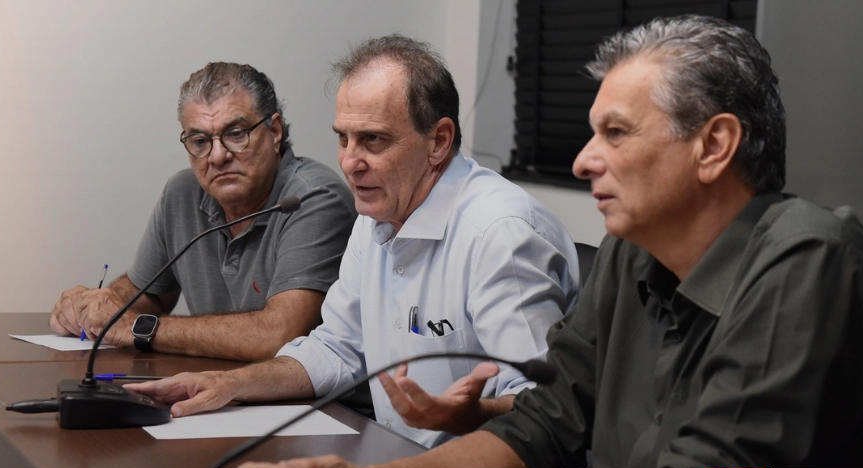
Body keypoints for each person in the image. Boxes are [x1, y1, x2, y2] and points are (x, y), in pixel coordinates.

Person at [231, 15, 863, 468]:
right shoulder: (632, 250)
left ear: (714, 146)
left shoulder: (808, 259)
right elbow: (544, 423)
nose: (583, 161)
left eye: (616, 133)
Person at [127, 36, 581, 446]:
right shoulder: (378, 213)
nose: (349, 162)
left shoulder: (500, 233)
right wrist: (232, 384)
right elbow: (336, 348)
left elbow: (542, 406)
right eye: (343, 139)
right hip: (399, 454)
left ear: (439, 141)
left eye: (373, 140)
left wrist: (472, 415)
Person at [49, 62, 356, 362]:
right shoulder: (183, 193)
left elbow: (278, 335)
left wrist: (136, 327)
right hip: (208, 385)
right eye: (200, 141)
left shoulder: (314, 198)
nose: (217, 156)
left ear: (274, 131)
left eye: (236, 134)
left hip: (303, 394)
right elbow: (150, 295)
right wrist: (90, 308)